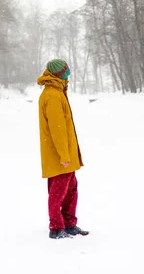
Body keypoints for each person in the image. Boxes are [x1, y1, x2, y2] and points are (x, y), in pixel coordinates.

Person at [37, 59, 89, 239]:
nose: (69, 72)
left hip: (67, 154)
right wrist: (64, 155)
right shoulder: (52, 95)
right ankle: (56, 227)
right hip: (59, 156)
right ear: (58, 74)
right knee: (58, 193)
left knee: (71, 190)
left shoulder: (58, 91)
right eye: (66, 70)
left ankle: (69, 224)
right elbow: (57, 129)